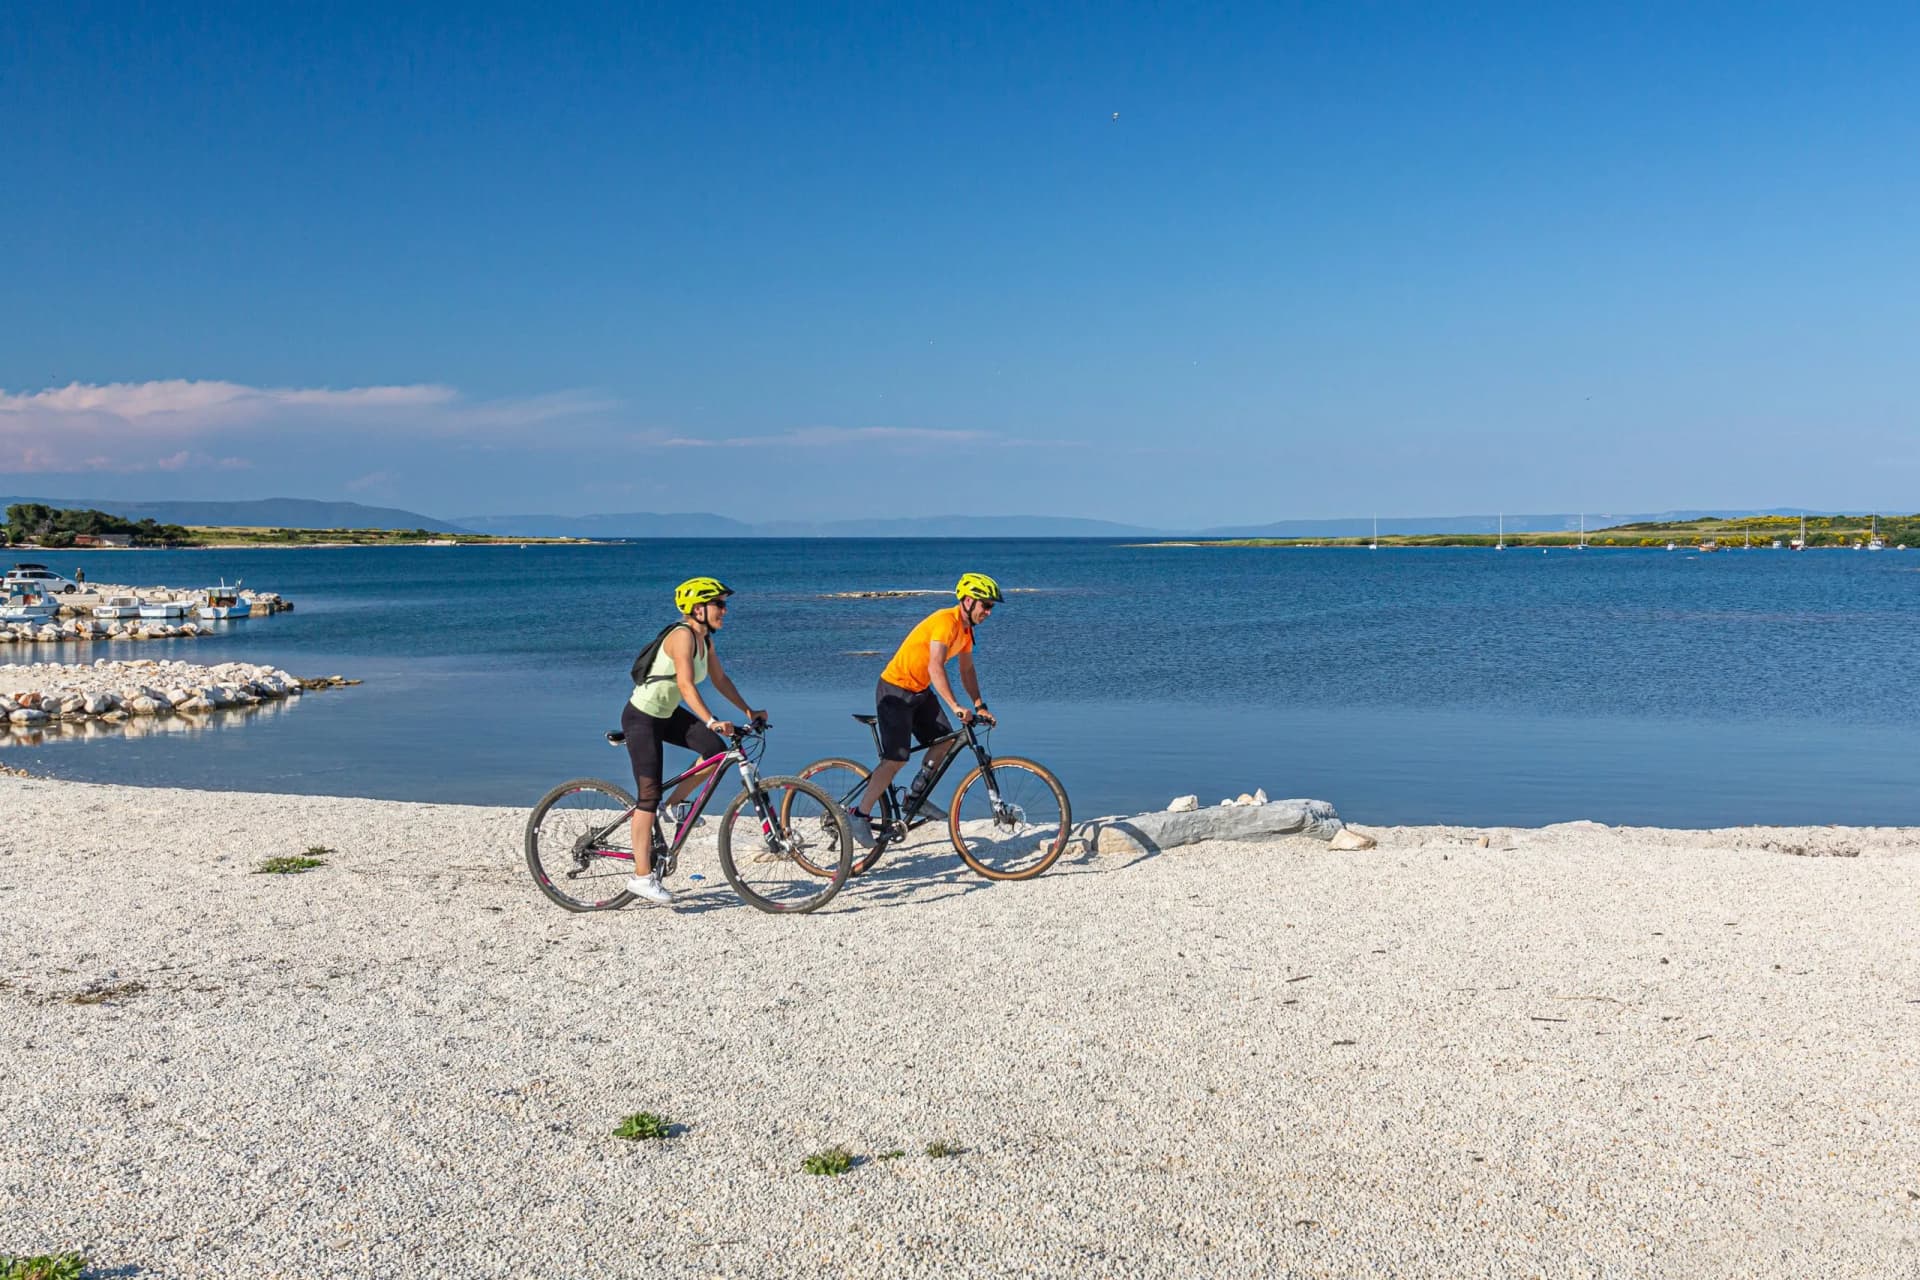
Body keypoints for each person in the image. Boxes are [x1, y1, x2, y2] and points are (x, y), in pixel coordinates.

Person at [621, 576, 766, 905]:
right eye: (719, 604)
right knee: (648, 796)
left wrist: (748, 710)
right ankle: (642, 877)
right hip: (642, 717)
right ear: (698, 609)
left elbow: (720, 679)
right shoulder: (681, 636)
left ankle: (675, 806)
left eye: (724, 605)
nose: (724, 611)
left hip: (667, 713)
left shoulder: (706, 641)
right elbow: (687, 685)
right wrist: (712, 720)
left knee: (714, 751)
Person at [847, 572, 1002, 846]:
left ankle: (914, 798)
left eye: (991, 607)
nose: (989, 612)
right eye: (985, 605)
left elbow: (967, 670)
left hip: (920, 691)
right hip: (895, 690)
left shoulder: (966, 632)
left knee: (943, 742)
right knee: (896, 760)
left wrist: (980, 704)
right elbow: (935, 666)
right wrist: (954, 705)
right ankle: (859, 815)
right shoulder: (946, 622)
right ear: (968, 601)